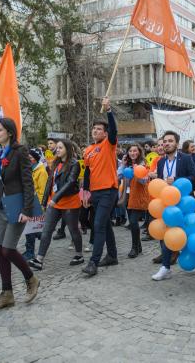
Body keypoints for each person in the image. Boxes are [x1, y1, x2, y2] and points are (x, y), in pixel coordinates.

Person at [0, 118, 39, 311]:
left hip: (16, 206)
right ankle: (6, 293)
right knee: (0, 250)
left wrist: (26, 209)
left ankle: (31, 278)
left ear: (9, 132)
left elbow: (28, 182)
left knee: (8, 248)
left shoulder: (20, 151)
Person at [149, 130, 195, 281]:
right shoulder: (161, 162)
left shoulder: (185, 159)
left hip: (183, 204)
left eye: (170, 141)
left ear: (177, 144)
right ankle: (166, 267)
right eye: (165, 141)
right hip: (166, 204)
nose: (166, 143)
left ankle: (191, 260)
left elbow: (194, 178)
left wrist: (176, 180)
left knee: (186, 233)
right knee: (164, 234)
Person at [29, 139, 84, 270]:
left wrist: (55, 198)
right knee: (47, 230)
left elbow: (70, 183)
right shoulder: (55, 163)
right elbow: (50, 182)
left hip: (69, 202)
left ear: (68, 149)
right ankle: (39, 259)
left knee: (73, 230)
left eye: (60, 148)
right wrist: (44, 202)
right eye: (57, 148)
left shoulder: (74, 164)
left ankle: (79, 255)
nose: (57, 150)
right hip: (54, 202)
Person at [80, 98, 119, 277]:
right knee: (104, 224)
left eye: (99, 129)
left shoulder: (109, 144)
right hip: (94, 192)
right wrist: (85, 192)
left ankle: (93, 262)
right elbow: (87, 172)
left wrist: (109, 110)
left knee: (98, 225)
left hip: (108, 191)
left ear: (105, 133)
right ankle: (112, 256)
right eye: (93, 128)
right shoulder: (88, 150)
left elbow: (114, 130)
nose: (95, 131)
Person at [120, 143, 149, 259]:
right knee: (132, 222)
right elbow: (119, 176)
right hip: (128, 196)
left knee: (132, 222)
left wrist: (137, 170)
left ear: (139, 152)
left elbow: (143, 181)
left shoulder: (143, 164)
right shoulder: (126, 164)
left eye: (135, 151)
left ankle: (134, 248)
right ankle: (139, 247)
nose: (133, 153)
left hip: (139, 196)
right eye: (130, 151)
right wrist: (122, 165)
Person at [23, 148, 47, 261]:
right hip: (29, 202)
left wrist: (42, 205)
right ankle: (43, 236)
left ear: (36, 159)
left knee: (30, 229)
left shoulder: (41, 171)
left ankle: (30, 252)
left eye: (31, 158)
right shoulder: (30, 169)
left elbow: (43, 190)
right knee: (31, 229)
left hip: (36, 203)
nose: (29, 159)